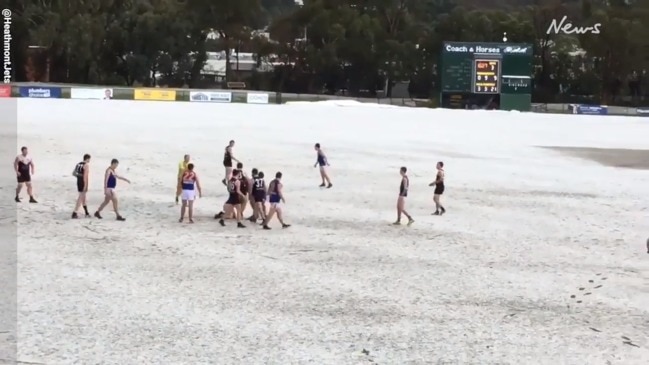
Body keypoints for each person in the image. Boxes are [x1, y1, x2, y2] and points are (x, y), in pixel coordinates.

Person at [71, 154, 91, 218]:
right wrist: (86, 185)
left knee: (83, 197)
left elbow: (73, 173)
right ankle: (75, 212)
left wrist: (79, 176)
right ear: (87, 159)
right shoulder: (86, 165)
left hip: (78, 181)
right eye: (89, 159)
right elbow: (85, 176)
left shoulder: (78, 164)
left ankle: (86, 212)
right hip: (83, 182)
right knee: (81, 197)